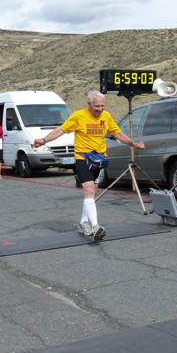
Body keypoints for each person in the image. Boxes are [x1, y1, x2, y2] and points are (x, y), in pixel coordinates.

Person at [33, 90, 144, 240]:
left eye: (102, 106)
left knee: (92, 192)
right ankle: (95, 226)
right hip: (82, 158)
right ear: (89, 104)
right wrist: (44, 140)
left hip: (99, 159)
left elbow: (117, 133)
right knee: (89, 189)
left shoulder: (106, 116)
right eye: (97, 106)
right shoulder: (79, 116)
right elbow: (61, 130)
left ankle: (83, 222)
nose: (100, 109)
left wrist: (133, 143)